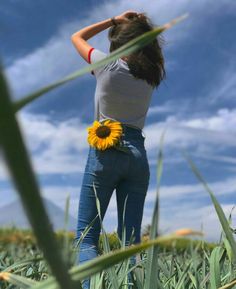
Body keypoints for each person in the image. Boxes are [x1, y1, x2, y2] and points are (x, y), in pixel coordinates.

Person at [71, 10, 166, 288]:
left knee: (87, 236)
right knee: (130, 241)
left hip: (105, 147)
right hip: (138, 154)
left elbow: (77, 37)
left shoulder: (106, 64)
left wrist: (113, 20)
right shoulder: (151, 76)